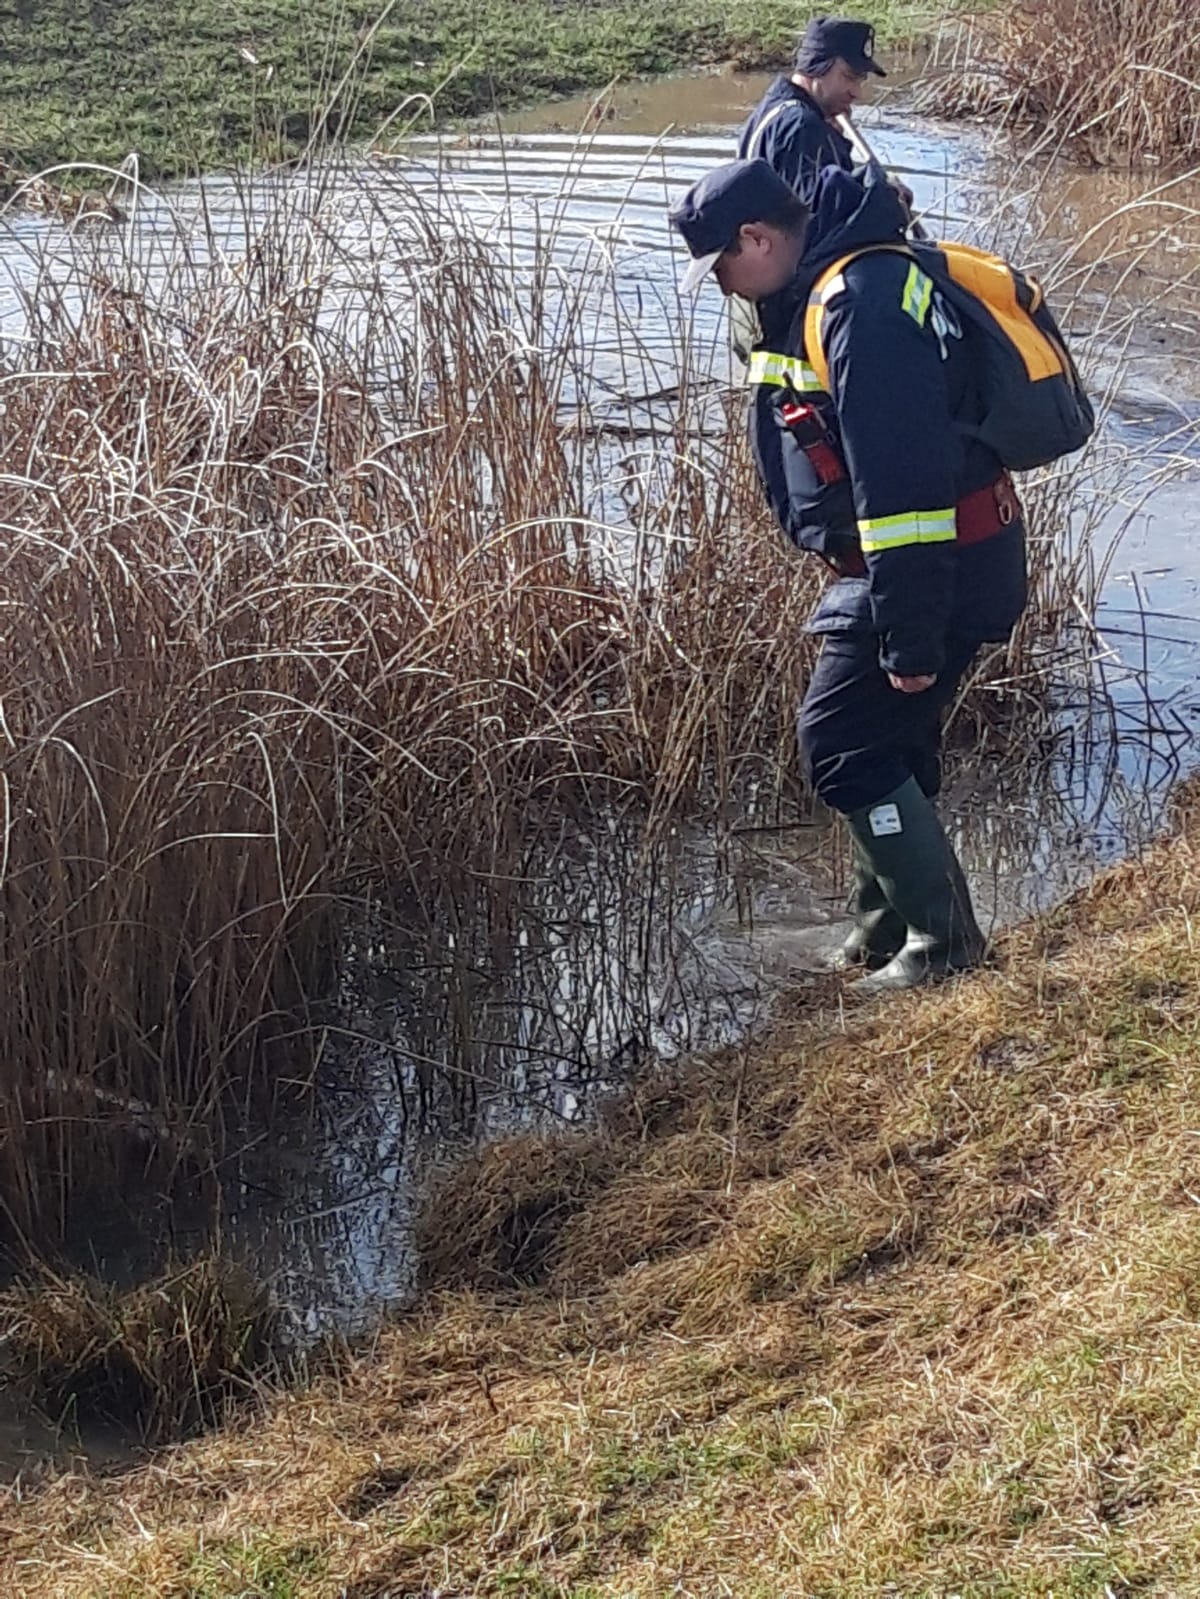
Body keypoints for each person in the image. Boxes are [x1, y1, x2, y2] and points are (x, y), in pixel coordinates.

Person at [668, 158, 1028, 992]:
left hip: (936, 563)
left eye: (722, 264)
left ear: (757, 238)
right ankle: (884, 931)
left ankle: (943, 949)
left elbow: (905, 495)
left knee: (841, 742)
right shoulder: (835, 279)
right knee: (885, 739)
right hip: (942, 560)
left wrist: (909, 635)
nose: (722, 284)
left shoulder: (858, 304)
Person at [737, 17, 886, 206]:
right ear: (816, 65)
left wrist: (832, 140)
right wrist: (882, 197)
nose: (856, 92)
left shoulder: (774, 106)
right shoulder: (801, 126)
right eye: (849, 77)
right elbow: (821, 222)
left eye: (860, 81)